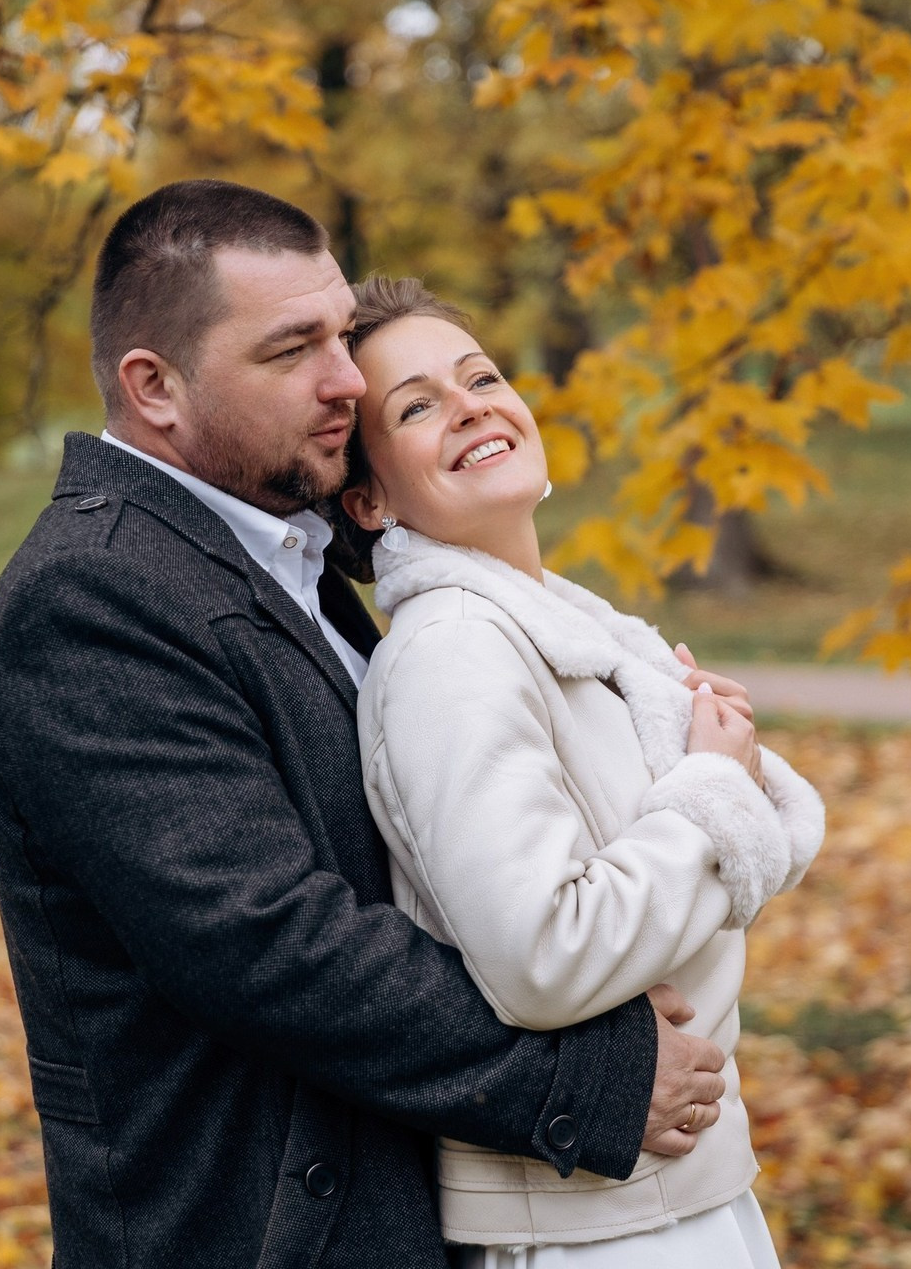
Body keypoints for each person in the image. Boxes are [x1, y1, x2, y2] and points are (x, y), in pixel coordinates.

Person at [0, 180, 731, 1269]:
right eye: (291, 350)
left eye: (338, 333)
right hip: (246, 1230)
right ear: (154, 386)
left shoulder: (281, 557)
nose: (343, 379)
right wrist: (580, 1077)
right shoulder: (89, 598)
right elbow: (264, 939)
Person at [331, 275, 826, 1268]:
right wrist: (709, 792)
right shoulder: (452, 654)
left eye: (481, 375)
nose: (470, 403)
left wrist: (721, 766)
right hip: (595, 1224)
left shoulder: (564, 623)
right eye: (416, 405)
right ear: (370, 498)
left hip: (674, 1192)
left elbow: (741, 850)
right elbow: (543, 953)